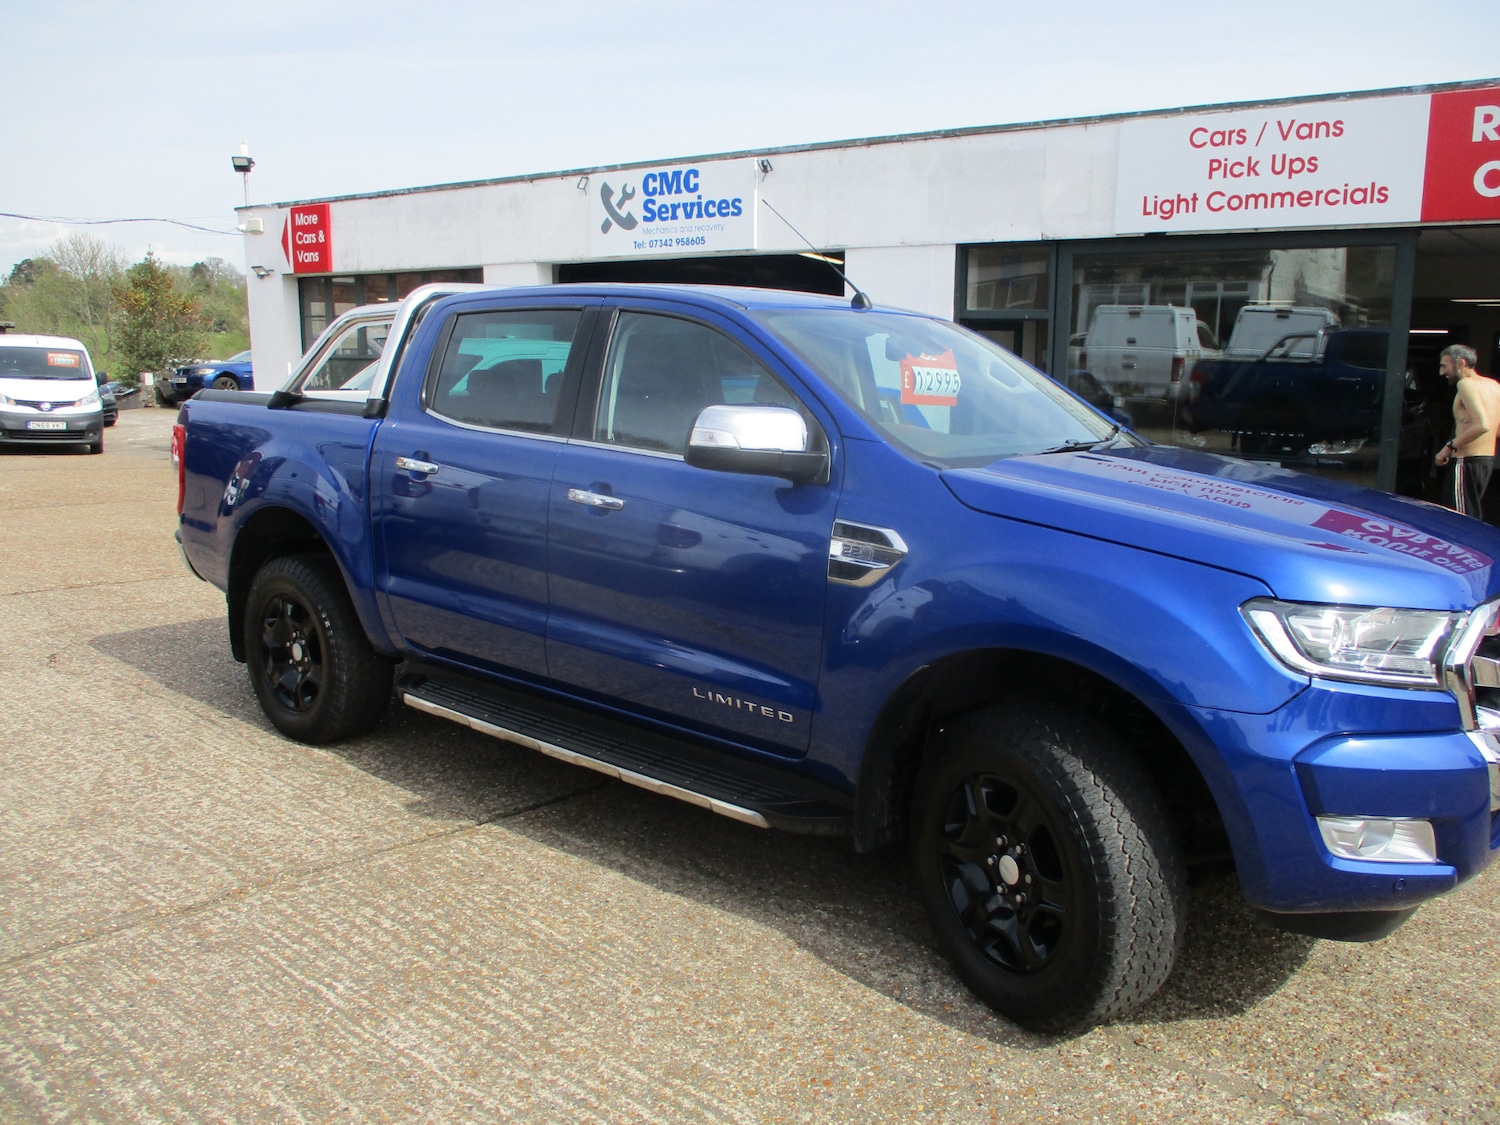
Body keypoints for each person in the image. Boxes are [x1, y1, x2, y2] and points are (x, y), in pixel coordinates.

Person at [1434, 344, 1500, 518]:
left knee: (1460, 519)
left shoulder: (1465, 384)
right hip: (1485, 460)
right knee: (1470, 513)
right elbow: (1496, 429)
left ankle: (1469, 546)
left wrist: (1448, 447)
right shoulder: (1493, 385)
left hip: (1466, 460)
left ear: (1461, 363)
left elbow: (1482, 424)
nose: (1442, 372)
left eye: (1444, 366)